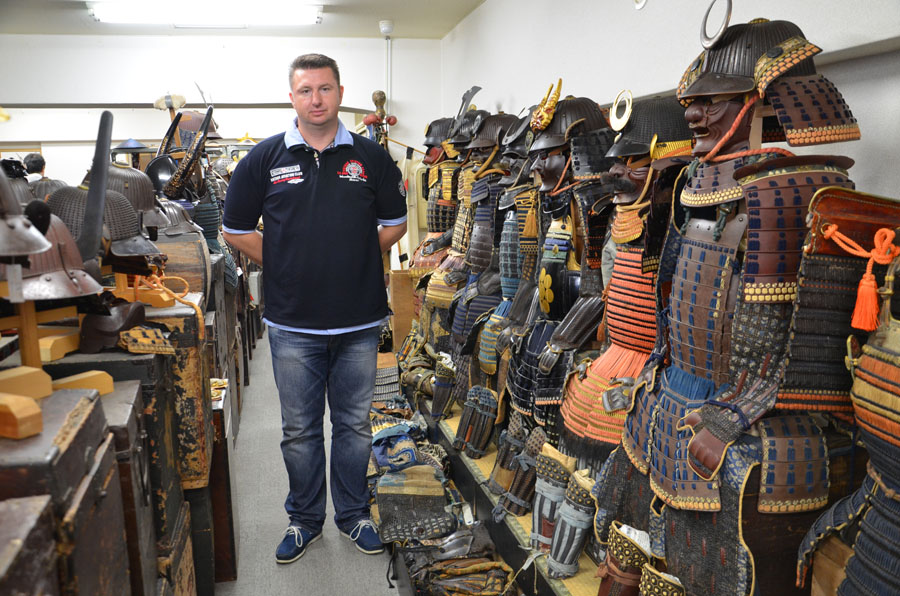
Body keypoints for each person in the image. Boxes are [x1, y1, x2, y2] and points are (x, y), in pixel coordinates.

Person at [222, 53, 407, 565]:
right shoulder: (264, 159)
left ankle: (353, 515)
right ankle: (304, 520)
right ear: (292, 97)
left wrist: (356, 255)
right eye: (305, 90)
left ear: (340, 93)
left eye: (325, 89)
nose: (316, 99)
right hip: (293, 324)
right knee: (300, 431)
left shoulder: (371, 157)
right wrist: (284, 261)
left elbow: (395, 223)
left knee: (353, 426)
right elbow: (234, 229)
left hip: (359, 322)